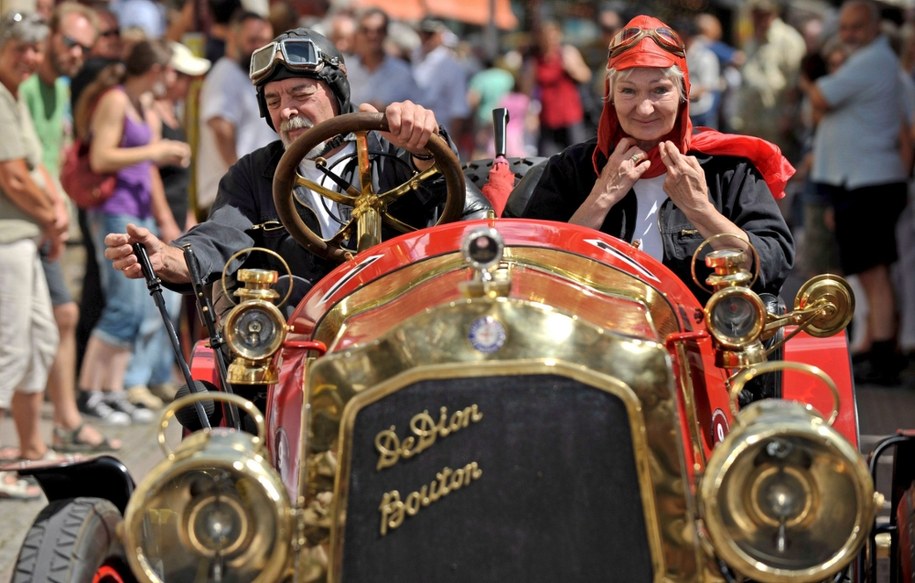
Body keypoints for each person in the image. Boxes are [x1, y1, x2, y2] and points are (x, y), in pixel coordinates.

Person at [104, 28, 490, 310]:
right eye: (273, 100)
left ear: (337, 92)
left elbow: (457, 209)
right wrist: (169, 258)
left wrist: (424, 143)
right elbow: (221, 236)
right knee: (199, 403)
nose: (287, 110)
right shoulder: (254, 175)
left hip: (408, 306)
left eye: (301, 93)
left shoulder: (394, 143)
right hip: (307, 329)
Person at [504, 14, 795, 303]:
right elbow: (528, 270)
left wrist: (700, 210)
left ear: (683, 94)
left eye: (659, 90)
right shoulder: (572, 169)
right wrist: (600, 200)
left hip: (697, 341)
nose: (644, 109)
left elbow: (774, 265)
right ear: (611, 96)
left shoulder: (728, 169)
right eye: (629, 91)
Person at [20, 2, 122, 451]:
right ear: (47, 38)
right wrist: (49, 212)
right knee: (49, 321)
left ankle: (61, 422)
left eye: (85, 47)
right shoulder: (19, 85)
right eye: (70, 42)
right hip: (23, 221)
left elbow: (52, 155)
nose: (78, 54)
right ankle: (50, 428)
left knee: (59, 318)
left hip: (42, 222)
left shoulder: (58, 88)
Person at [76, 39, 191, 425]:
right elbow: (102, 157)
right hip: (112, 211)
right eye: (171, 72)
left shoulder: (145, 107)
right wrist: (154, 151)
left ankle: (114, 390)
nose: (174, 80)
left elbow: (149, 172)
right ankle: (92, 391)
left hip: (139, 214)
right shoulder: (116, 100)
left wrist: (164, 217)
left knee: (140, 306)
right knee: (122, 307)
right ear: (156, 71)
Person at [801, 0, 910, 385]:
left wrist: (807, 75)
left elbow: (820, 98)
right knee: (869, 274)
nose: (847, 35)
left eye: (855, 27)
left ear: (875, 27)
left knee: (874, 275)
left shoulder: (869, 61)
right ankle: (877, 349)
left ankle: (883, 356)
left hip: (868, 182)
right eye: (844, 27)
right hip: (860, 180)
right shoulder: (875, 60)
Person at [0, 10, 60, 499]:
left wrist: (51, 213)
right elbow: (12, 177)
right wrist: (51, 216)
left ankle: (31, 450)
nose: (30, 57)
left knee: (40, 340)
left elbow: (31, 170)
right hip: (5, 242)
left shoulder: (14, 95)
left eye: (35, 48)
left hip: (23, 238)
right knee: (8, 350)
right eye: (20, 47)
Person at [195, 10, 274, 215]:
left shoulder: (251, 79)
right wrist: (242, 180)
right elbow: (221, 128)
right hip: (230, 199)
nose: (260, 48)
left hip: (248, 195)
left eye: (266, 41)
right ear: (233, 38)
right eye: (253, 40)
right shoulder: (225, 73)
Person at [732, 0, 806, 161]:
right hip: (750, 118)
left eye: (762, 14)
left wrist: (788, 115)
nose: (756, 19)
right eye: (754, 14)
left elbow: (795, 82)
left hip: (774, 119)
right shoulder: (752, 38)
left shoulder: (789, 40)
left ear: (773, 13)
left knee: (775, 166)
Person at [524, 20, 592, 157]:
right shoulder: (535, 60)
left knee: (577, 157)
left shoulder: (567, 53)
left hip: (570, 115)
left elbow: (586, 76)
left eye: (554, 37)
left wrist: (572, 68)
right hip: (547, 117)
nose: (551, 41)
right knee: (547, 159)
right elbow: (528, 91)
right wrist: (530, 114)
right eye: (547, 37)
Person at [346, 8, 421, 111]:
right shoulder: (346, 70)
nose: (372, 36)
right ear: (357, 34)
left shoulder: (402, 72)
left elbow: (416, 106)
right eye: (366, 30)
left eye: (379, 31)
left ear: (385, 34)